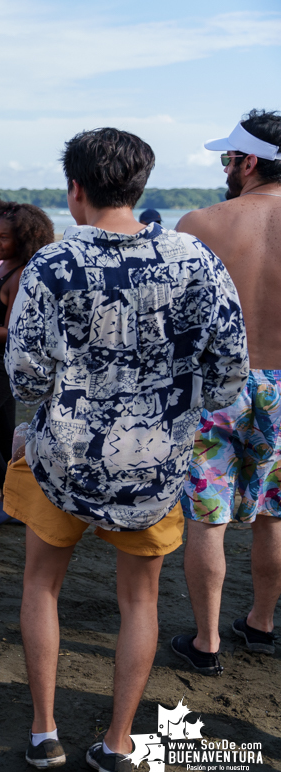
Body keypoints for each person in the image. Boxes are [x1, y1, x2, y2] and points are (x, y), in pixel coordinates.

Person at [4, 128, 248, 772]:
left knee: (40, 584)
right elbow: (230, 371)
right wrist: (176, 410)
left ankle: (43, 731)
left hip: (63, 460)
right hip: (154, 465)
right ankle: (116, 743)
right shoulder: (195, 259)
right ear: (139, 186)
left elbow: (25, 377)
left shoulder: (52, 265)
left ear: (74, 189)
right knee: (139, 603)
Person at [174, 109, 281, 675]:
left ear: (250, 162)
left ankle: (208, 641)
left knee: (207, 515)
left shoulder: (201, 223)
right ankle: (262, 624)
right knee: (275, 514)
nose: (225, 169)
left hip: (222, 385)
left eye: (227, 159)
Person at [0, 203, 55, 524]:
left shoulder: (22, 275)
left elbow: (10, 331)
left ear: (25, 239)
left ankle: (14, 498)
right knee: (4, 436)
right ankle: (19, 502)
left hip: (2, 365)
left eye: (5, 237)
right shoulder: (2, 267)